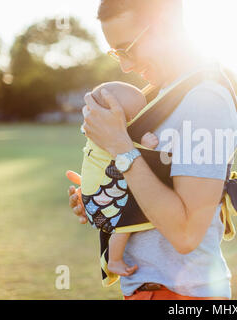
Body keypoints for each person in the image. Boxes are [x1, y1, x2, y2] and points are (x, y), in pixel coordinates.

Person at [68, 0, 237, 300]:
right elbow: (147, 185)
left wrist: (120, 147)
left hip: (185, 295)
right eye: (116, 53)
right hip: (146, 290)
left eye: (127, 48)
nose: (125, 65)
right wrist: (107, 195)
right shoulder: (160, 95)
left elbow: (186, 233)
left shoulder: (205, 101)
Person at [81, 82, 159, 277]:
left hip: (97, 192)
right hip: (101, 198)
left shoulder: (97, 131)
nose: (138, 120)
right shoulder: (103, 135)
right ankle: (114, 260)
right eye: (132, 117)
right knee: (125, 221)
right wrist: (146, 146)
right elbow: (127, 155)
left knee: (126, 217)